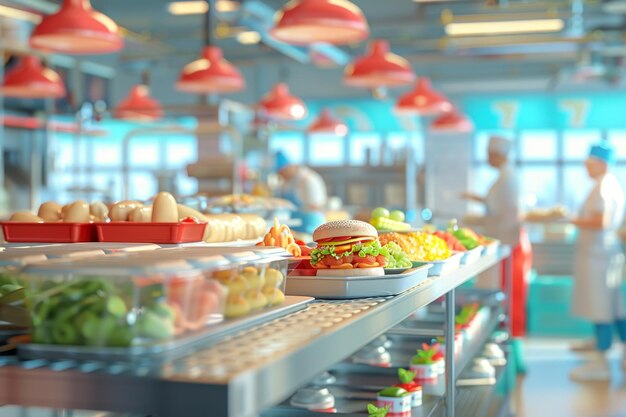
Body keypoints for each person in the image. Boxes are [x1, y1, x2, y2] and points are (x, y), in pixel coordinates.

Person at [461, 135, 532, 337]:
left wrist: (480, 221)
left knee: (511, 295)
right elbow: (496, 205)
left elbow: (507, 215)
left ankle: (510, 340)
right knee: (506, 295)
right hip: (504, 242)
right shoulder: (505, 177)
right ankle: (507, 339)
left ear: (496, 155)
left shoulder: (508, 178)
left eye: (488, 154)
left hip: (510, 243)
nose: (486, 158)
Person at [569, 142, 626, 382]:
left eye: (588, 163)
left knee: (601, 308)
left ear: (600, 163)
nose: (586, 168)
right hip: (603, 255)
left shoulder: (604, 185)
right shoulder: (608, 184)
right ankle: (616, 352)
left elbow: (601, 222)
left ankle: (601, 363)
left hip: (599, 257)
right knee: (613, 308)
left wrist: (571, 219)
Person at [275, 151, 327, 234]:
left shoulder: (308, 180)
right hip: (296, 227)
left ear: (288, 167)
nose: (282, 176)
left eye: (282, 172)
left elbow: (317, 206)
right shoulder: (289, 181)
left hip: (312, 226)